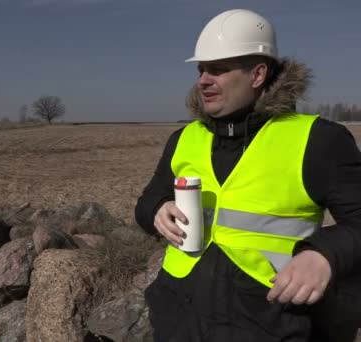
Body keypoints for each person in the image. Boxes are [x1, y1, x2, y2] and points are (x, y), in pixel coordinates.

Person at [135, 8, 361, 342]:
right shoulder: (184, 138)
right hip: (177, 320)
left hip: (266, 323)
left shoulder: (319, 141)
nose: (203, 80)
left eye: (218, 69)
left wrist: (324, 254)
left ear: (257, 75)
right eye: (201, 69)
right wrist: (156, 209)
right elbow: (146, 203)